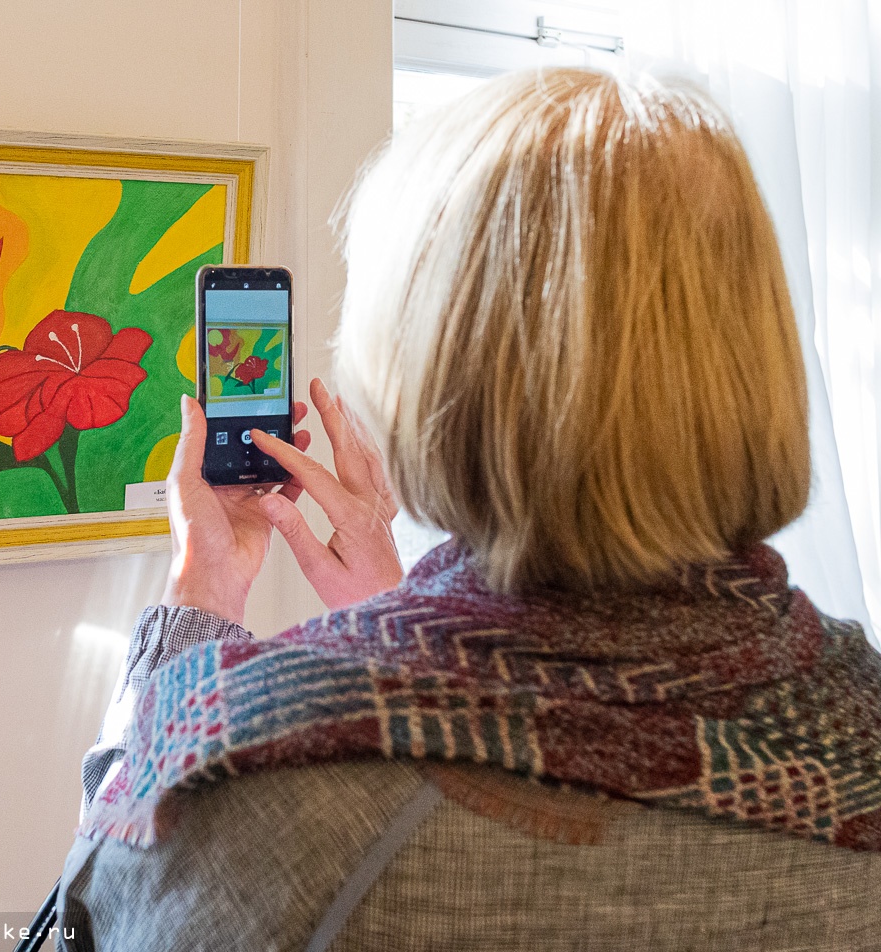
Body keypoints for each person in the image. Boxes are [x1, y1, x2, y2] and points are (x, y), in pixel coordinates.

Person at [55, 68, 881, 951]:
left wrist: (202, 606)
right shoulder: (860, 715)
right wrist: (387, 618)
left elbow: (84, 918)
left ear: (418, 374)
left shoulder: (252, 774)